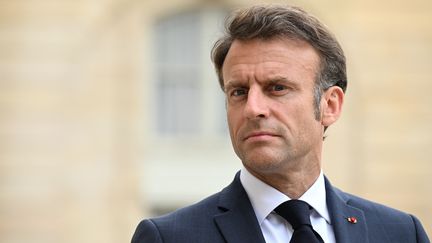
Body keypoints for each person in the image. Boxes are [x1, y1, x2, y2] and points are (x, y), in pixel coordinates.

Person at [132, 5, 430, 243]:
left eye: (277, 88)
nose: (253, 108)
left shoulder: (400, 233)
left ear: (330, 105)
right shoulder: (169, 238)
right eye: (239, 92)